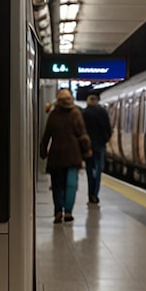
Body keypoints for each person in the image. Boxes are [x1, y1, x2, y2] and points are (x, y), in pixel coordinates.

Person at [40, 88, 92, 224]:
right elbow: (82, 135)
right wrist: (86, 150)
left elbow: (46, 135)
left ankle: (58, 211)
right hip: (73, 155)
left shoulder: (53, 115)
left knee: (57, 185)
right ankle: (68, 211)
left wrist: (43, 150)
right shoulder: (76, 114)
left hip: (56, 156)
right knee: (71, 185)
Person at [81, 92, 112, 204]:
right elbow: (108, 129)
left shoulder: (84, 113)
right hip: (99, 145)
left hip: (88, 147)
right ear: (97, 101)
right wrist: (104, 140)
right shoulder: (103, 112)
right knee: (98, 170)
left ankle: (91, 194)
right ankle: (95, 193)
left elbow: (81, 130)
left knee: (90, 170)